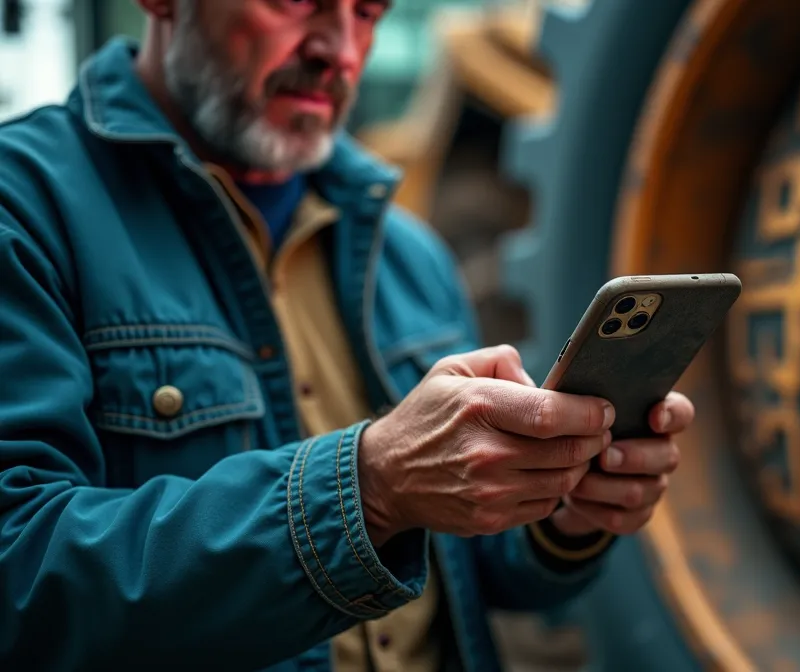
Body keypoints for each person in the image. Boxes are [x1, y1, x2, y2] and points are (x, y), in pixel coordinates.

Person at [0, 1, 690, 671]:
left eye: (368, 13)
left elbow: (468, 570)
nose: (340, 50)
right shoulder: (25, 208)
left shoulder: (410, 255)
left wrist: (561, 508)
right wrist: (369, 489)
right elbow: (21, 573)